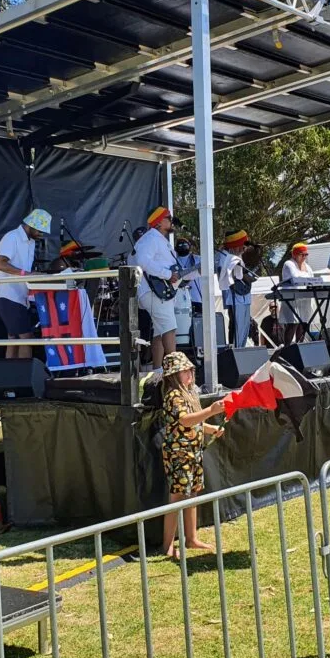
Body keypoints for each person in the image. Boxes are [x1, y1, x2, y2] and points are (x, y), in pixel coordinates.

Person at [159, 351, 225, 558]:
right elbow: (185, 420)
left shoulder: (189, 394)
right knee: (177, 497)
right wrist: (212, 411)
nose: (190, 374)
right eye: (185, 371)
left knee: (192, 492)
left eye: (190, 370)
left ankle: (191, 538)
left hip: (192, 452)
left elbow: (194, 422)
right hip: (179, 453)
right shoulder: (173, 396)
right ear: (174, 375)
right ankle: (167, 544)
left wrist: (211, 429)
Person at [0, 208, 51, 359]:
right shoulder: (11, 237)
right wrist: (27, 274)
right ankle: (26, 376)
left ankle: (12, 377)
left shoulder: (31, 242)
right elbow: (0, 264)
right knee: (27, 337)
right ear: (31, 225)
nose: (41, 234)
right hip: (8, 295)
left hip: (20, 296)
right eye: (40, 230)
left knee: (13, 338)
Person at [135, 207, 180, 369]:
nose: (171, 220)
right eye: (169, 217)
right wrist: (167, 275)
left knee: (160, 332)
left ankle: (158, 371)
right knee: (169, 328)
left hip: (160, 292)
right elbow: (142, 262)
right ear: (160, 222)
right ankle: (175, 371)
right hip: (154, 292)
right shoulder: (150, 239)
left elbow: (172, 270)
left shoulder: (161, 240)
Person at [217, 229, 253, 347]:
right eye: (242, 244)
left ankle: (238, 351)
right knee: (238, 329)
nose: (244, 248)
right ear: (236, 245)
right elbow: (237, 275)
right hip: (236, 297)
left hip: (241, 297)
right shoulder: (228, 258)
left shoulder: (233, 257)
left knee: (242, 329)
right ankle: (236, 353)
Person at [279, 242, 315, 343]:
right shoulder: (289, 264)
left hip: (305, 298)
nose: (304, 257)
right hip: (292, 298)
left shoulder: (307, 266)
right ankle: (287, 348)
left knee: (303, 324)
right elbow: (295, 277)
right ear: (294, 254)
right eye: (301, 254)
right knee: (293, 324)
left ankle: (300, 346)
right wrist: (306, 278)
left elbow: (312, 278)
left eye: (305, 254)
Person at [174, 238, 203, 314]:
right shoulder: (173, 261)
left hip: (197, 298)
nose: (182, 246)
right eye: (180, 244)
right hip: (179, 300)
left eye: (185, 244)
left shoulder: (198, 259)